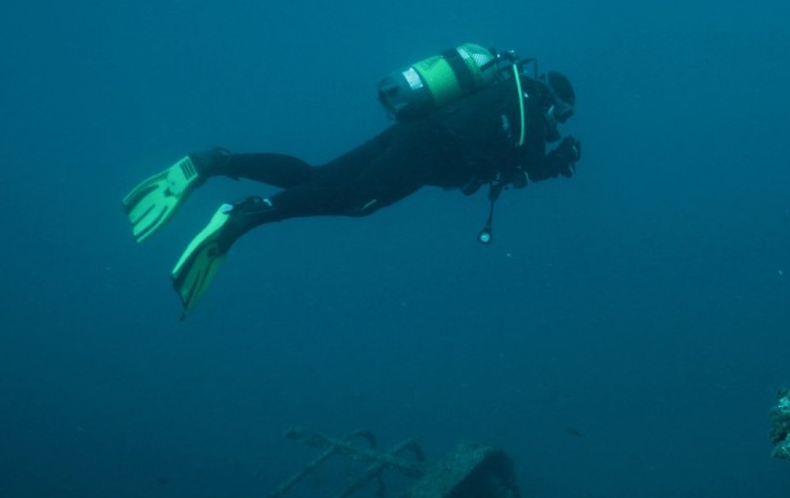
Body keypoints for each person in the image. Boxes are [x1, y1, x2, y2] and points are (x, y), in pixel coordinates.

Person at [123, 45, 581, 315]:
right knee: (354, 202)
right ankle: (246, 217)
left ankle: (215, 162)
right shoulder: (529, 112)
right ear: (554, 102)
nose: (558, 123)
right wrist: (560, 159)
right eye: (562, 115)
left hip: (409, 133)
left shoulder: (499, 88)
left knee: (318, 175)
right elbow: (526, 168)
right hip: (427, 152)